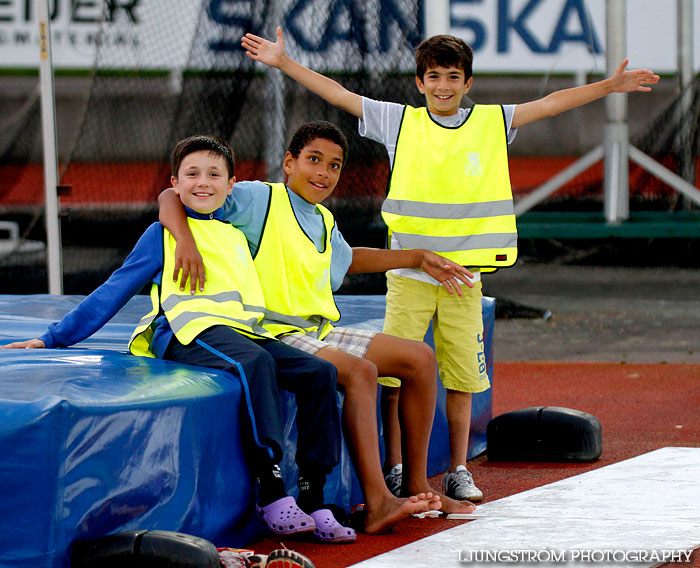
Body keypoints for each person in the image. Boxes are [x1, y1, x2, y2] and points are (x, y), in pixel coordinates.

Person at [240, 28, 660, 502]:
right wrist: (284, 62)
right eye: (433, 76)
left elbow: (551, 103)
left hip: (465, 276)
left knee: (462, 376)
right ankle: (396, 468)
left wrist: (607, 87)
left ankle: (459, 467)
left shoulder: (493, 121)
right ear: (419, 83)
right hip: (408, 276)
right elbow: (339, 94)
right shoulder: (399, 121)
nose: (443, 85)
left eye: (452, 77)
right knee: (394, 375)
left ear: (468, 83)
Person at [0, 135, 365, 544]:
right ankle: (272, 489)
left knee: (319, 373)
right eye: (192, 174)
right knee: (255, 364)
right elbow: (115, 288)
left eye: (214, 175)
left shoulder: (235, 233)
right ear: (175, 182)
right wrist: (52, 338)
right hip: (185, 331)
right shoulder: (163, 235)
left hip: (239, 332)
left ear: (231, 187)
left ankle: (314, 495)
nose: (202, 182)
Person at [158, 121, 479, 535]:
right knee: (361, 372)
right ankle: (378, 501)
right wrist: (183, 238)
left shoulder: (323, 219)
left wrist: (416, 257)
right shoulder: (259, 198)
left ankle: (415, 487)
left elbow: (348, 259)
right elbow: (171, 195)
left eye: (334, 165)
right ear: (288, 163)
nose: (323, 173)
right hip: (270, 331)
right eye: (313, 160)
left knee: (419, 358)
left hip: (317, 331)